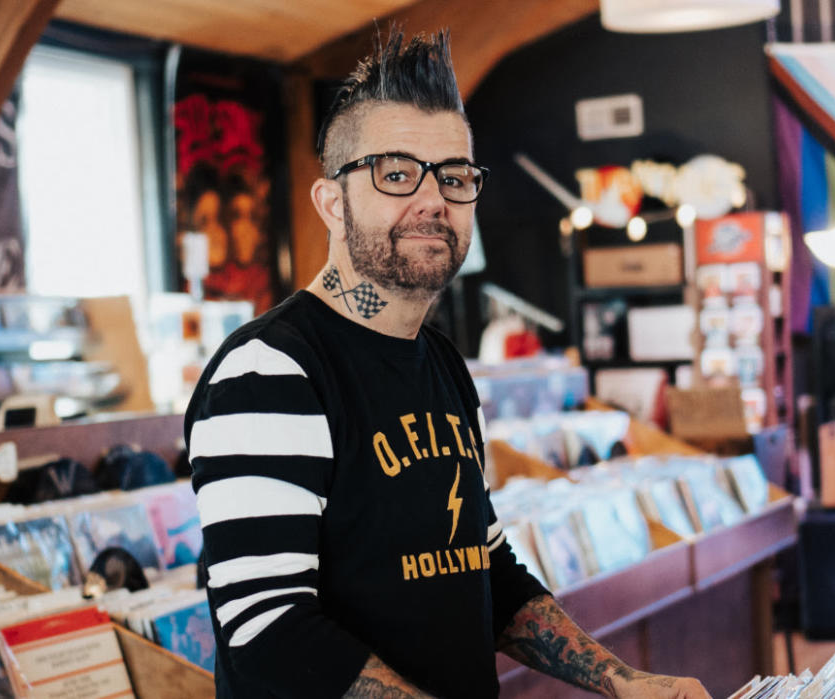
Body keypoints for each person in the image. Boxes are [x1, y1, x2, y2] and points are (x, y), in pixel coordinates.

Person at [184, 29, 711, 699]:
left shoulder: (441, 363)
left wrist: (624, 680)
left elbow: (483, 566)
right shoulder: (269, 372)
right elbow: (270, 633)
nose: (434, 199)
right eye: (397, 173)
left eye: (455, 176)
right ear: (331, 203)